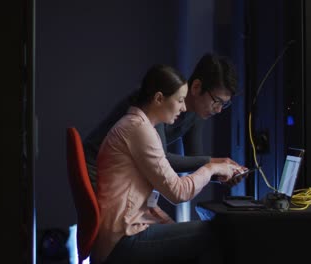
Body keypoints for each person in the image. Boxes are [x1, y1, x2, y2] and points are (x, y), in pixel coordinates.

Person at [92, 64, 243, 264]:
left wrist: (170, 226)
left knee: (194, 239)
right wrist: (212, 167)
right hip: (122, 240)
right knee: (213, 232)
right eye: (180, 100)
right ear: (159, 99)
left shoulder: (136, 125)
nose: (183, 107)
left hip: (119, 234)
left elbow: (146, 201)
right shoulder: (140, 130)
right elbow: (178, 193)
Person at [83, 53, 242, 195]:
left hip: (121, 176)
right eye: (217, 101)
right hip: (96, 168)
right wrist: (213, 163)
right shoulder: (158, 101)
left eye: (225, 104)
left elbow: (194, 161)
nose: (220, 110)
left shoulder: (197, 114)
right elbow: (162, 159)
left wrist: (222, 173)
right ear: (196, 87)